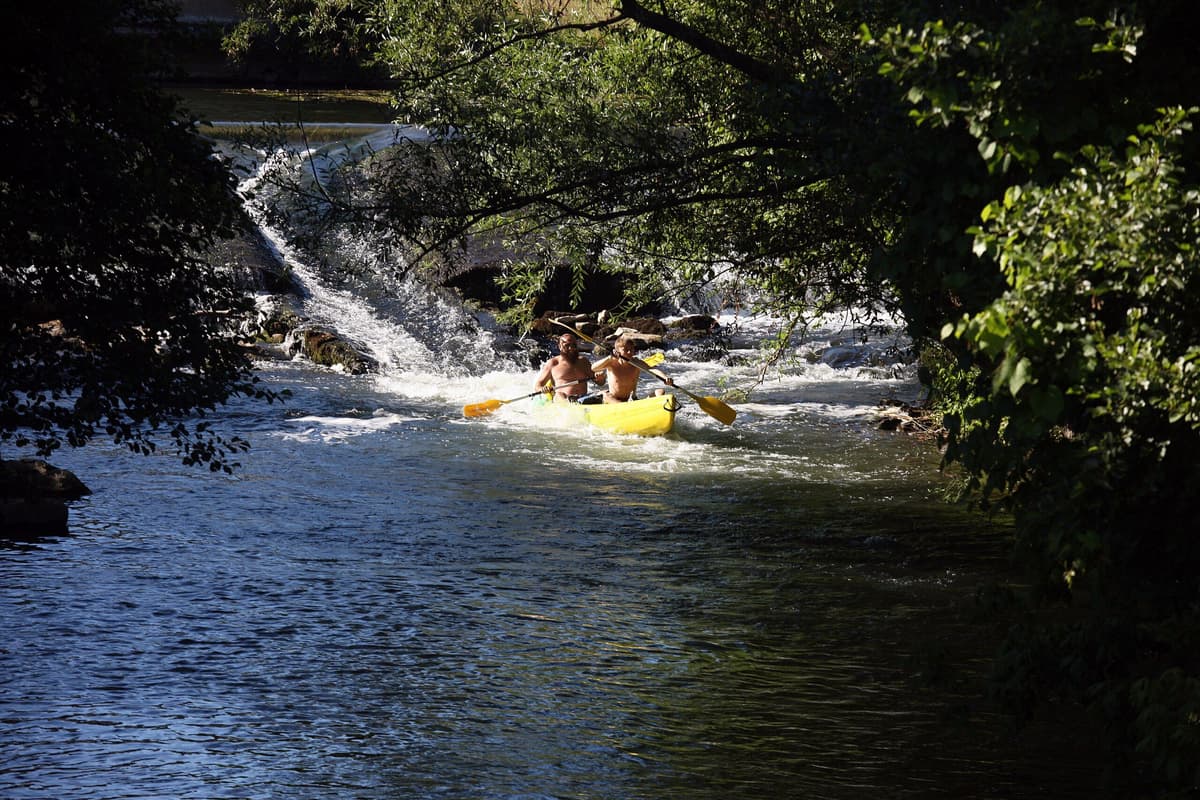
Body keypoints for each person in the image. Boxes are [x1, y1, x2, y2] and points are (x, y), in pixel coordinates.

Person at [589, 334, 674, 403]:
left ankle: (658, 411)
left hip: (631, 400)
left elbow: (651, 370)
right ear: (617, 351)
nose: (630, 352)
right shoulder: (611, 363)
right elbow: (593, 368)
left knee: (660, 392)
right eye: (626, 350)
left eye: (631, 349)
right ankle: (621, 408)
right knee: (605, 395)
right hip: (614, 399)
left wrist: (665, 378)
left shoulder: (636, 362)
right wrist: (609, 358)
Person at [534, 332, 597, 402]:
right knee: (559, 395)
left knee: (605, 394)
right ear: (560, 347)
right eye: (567, 345)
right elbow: (538, 385)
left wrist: (600, 378)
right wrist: (542, 389)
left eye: (574, 345)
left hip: (583, 398)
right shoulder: (553, 363)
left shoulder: (583, 362)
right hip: (564, 399)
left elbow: (600, 382)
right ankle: (570, 406)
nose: (571, 348)